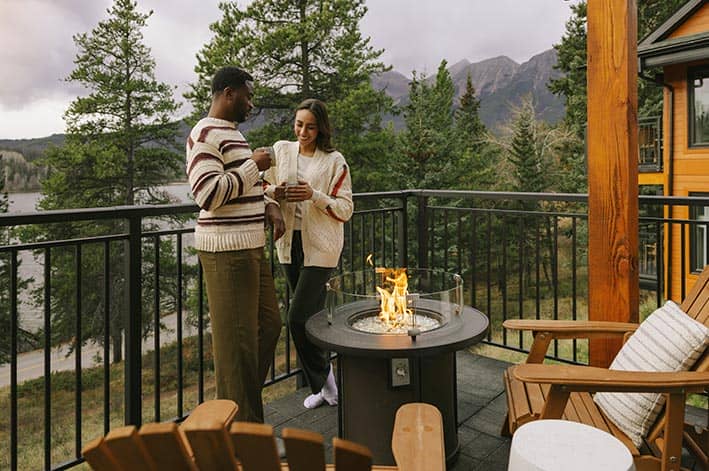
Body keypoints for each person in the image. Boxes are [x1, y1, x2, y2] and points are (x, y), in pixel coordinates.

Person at [186, 66, 285, 423]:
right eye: (248, 95)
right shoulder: (204, 133)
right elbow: (208, 194)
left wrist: (270, 204)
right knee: (236, 348)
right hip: (225, 251)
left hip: (250, 247)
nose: (251, 103)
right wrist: (252, 166)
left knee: (270, 326)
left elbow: (246, 187)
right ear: (228, 93)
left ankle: (235, 404)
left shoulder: (234, 135)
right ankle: (245, 435)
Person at [264, 98, 353, 409]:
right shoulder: (282, 151)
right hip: (289, 244)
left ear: (321, 129)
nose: (303, 131)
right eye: (299, 124)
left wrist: (314, 195)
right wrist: (274, 196)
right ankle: (329, 389)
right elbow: (263, 186)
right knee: (311, 317)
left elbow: (345, 208)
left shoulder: (334, 161)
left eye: (310, 126)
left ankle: (325, 383)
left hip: (322, 246)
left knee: (298, 317)